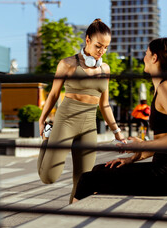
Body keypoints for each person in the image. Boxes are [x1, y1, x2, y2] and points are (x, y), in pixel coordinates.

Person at [73, 38, 167, 202]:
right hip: (166, 169)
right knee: (99, 170)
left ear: (154, 58)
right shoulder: (164, 86)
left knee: (89, 179)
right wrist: (134, 157)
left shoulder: (166, 87)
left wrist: (142, 145)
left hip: (166, 173)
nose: (144, 57)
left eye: (146, 53)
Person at [37, 19, 125, 203]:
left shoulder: (105, 69)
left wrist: (117, 132)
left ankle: (72, 214)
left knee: (84, 181)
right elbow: (53, 94)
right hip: (66, 120)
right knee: (49, 177)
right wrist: (42, 118)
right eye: (98, 46)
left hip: (88, 125)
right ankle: (47, 139)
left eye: (106, 47)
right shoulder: (68, 64)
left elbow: (105, 104)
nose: (102, 51)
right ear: (87, 40)